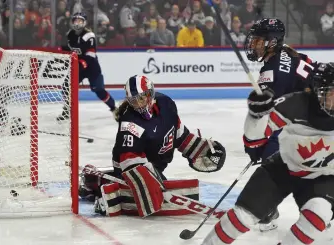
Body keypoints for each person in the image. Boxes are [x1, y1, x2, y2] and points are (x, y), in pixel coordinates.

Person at [201, 62, 334, 245]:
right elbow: (254, 139)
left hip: (324, 177)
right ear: (316, 90)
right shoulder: (295, 103)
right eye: (331, 92)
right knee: (241, 217)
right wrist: (257, 115)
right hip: (283, 168)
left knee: (318, 214)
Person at [79, 75, 227, 217]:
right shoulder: (130, 122)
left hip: (157, 166)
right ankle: (99, 186)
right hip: (130, 168)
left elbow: (179, 134)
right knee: (152, 196)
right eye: (134, 101)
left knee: (162, 192)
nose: (139, 104)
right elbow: (128, 158)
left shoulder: (167, 104)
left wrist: (197, 149)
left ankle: (96, 179)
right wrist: (145, 180)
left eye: (142, 98)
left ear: (151, 93)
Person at [243, 18, 316, 230]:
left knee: (276, 158)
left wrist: (256, 146)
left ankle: (267, 209)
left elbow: (270, 116)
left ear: (271, 42)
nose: (253, 44)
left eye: (257, 40)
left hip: (314, 120)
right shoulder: (287, 54)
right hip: (317, 114)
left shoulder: (273, 71)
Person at [57, 12, 116, 121]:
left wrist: (82, 63)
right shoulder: (70, 34)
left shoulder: (90, 35)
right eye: (75, 20)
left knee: (98, 89)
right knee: (66, 86)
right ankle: (66, 110)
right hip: (79, 66)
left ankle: (114, 108)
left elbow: (91, 55)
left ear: (84, 22)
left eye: (80, 21)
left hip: (92, 67)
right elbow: (72, 49)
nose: (77, 23)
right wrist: (61, 49)